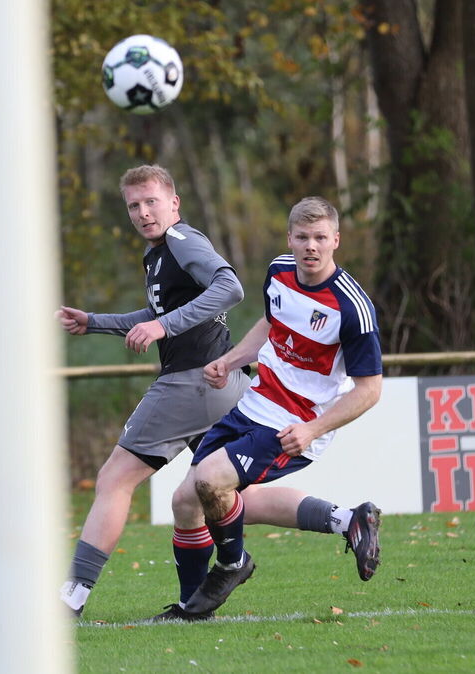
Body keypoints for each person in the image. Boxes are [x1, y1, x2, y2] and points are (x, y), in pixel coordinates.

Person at [57, 167, 378, 620]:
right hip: (227, 384)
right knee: (209, 495)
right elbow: (161, 313)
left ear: (175, 203)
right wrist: (96, 321)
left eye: (152, 201)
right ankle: (343, 520)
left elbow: (228, 287)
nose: (144, 212)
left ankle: (71, 598)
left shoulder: (182, 241)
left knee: (114, 479)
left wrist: (163, 326)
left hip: (190, 382)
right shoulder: (166, 255)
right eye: (134, 205)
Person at [170, 196, 383, 618]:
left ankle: (233, 565)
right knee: (185, 501)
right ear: (290, 238)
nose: (311, 246)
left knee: (212, 481)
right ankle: (192, 609)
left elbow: (369, 389)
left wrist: (313, 429)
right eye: (302, 237)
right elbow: (271, 324)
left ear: (336, 240)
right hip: (256, 402)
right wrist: (231, 361)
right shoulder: (278, 272)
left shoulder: (352, 307)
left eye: (321, 238)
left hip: (296, 423)